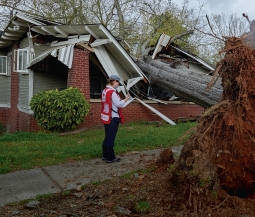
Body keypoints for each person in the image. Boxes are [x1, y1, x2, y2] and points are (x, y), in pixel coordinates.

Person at [101, 75, 130, 163]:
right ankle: (110, 157)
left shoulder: (105, 90)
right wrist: (126, 99)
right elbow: (118, 104)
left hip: (106, 116)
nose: (118, 84)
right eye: (117, 82)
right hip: (113, 117)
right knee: (111, 138)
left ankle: (105, 155)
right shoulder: (112, 92)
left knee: (107, 137)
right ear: (113, 81)